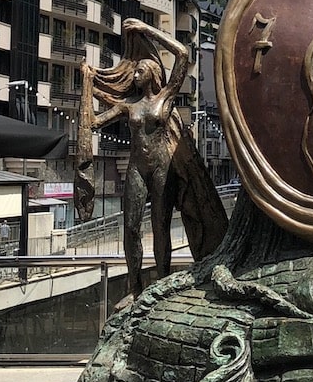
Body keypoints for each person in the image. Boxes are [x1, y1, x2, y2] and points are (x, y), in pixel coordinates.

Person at [75, 18, 228, 298]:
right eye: (135, 71)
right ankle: (134, 287)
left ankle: (160, 284)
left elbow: (182, 53)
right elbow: (95, 123)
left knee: (160, 227)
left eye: (140, 70)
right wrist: (87, 83)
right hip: (137, 168)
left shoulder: (166, 99)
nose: (135, 74)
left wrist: (147, 31)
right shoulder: (128, 105)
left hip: (163, 168)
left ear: (154, 74)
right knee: (131, 226)